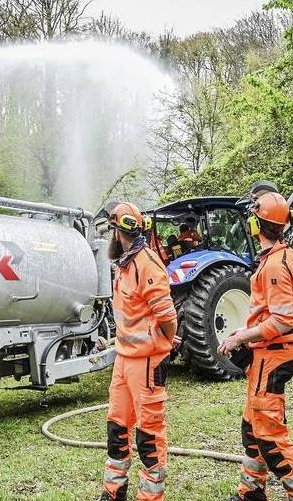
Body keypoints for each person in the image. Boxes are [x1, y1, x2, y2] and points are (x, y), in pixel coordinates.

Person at [217, 192, 293, 501]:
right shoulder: (281, 258)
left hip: (272, 356)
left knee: (269, 435)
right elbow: (269, 314)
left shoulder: (275, 265)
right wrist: (245, 330)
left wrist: (239, 338)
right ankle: (251, 492)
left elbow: (283, 320)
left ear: (254, 223)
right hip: (265, 354)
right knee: (252, 427)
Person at [101, 201, 180, 501]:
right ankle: (113, 491)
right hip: (125, 360)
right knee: (117, 428)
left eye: (111, 228)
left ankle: (150, 497)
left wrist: (164, 342)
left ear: (118, 231)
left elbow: (167, 317)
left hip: (146, 363)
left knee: (148, 436)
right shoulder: (125, 264)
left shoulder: (146, 263)